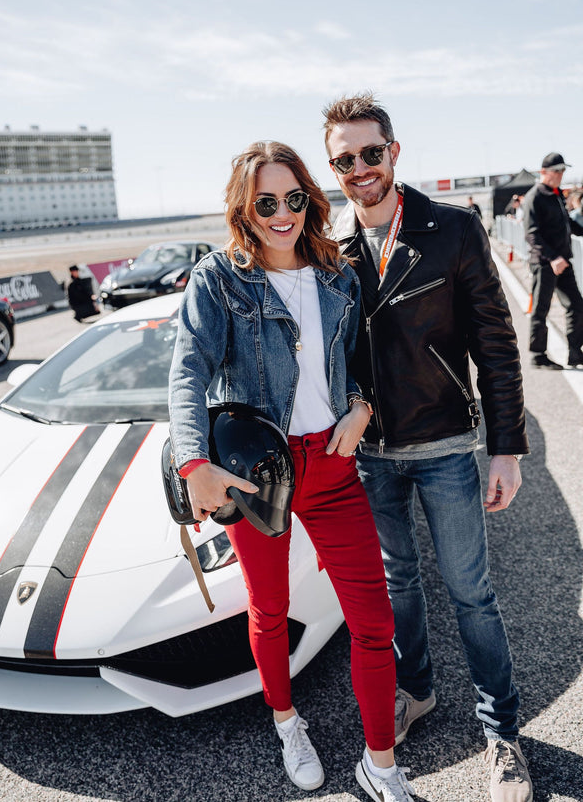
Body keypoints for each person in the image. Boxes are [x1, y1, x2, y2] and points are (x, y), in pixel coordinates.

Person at [168, 141, 414, 802]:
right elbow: (188, 369)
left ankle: (381, 767)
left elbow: (361, 360)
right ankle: (286, 721)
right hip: (257, 473)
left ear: (310, 198)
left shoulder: (336, 273)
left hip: (331, 466)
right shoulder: (220, 277)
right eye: (266, 202)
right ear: (244, 210)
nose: (282, 214)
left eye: (294, 199)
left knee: (374, 621)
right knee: (270, 609)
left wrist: (361, 405)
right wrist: (194, 463)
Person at [323, 93, 532, 802]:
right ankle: (416, 692)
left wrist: (506, 447)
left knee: (472, 594)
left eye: (370, 153)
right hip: (371, 455)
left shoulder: (453, 229)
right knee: (397, 588)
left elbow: (497, 346)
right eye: (345, 159)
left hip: (445, 442)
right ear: (335, 168)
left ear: (394, 152)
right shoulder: (330, 247)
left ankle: (501, 730)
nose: (361, 168)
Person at [522, 152, 583, 369]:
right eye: (556, 171)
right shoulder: (534, 196)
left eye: (562, 170)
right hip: (545, 263)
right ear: (543, 172)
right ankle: (538, 356)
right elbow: (531, 234)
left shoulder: (556, 194)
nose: (560, 174)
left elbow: (567, 224)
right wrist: (553, 257)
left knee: (576, 306)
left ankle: (576, 353)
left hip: (563, 262)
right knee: (541, 309)